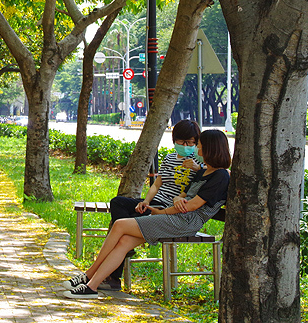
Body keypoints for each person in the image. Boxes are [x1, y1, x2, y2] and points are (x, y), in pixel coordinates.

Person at [62, 129, 231, 300]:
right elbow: (182, 196)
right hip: (176, 216)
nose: (197, 150)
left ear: (210, 149)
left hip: (186, 222)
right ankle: (91, 287)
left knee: (120, 224)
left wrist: (163, 211)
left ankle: (89, 274)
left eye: (200, 146)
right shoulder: (203, 172)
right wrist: (177, 200)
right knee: (124, 241)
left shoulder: (221, 176)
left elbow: (192, 206)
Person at [99, 119, 202, 290]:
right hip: (155, 201)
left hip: (169, 210)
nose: (186, 145)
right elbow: (156, 184)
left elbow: (205, 181)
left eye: (191, 142)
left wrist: (198, 168)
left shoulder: (197, 161)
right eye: (182, 142)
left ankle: (114, 278)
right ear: (174, 140)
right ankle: (123, 256)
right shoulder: (169, 158)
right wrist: (145, 202)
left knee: (123, 229)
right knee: (118, 202)